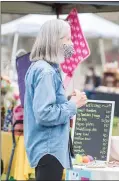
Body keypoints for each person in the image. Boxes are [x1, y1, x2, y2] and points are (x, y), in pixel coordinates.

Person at [24, 19, 87, 180]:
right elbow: (44, 113)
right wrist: (72, 106)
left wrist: (67, 100)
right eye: (67, 39)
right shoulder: (46, 72)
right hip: (49, 148)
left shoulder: (42, 67)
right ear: (54, 41)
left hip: (47, 148)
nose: (71, 43)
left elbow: (44, 103)